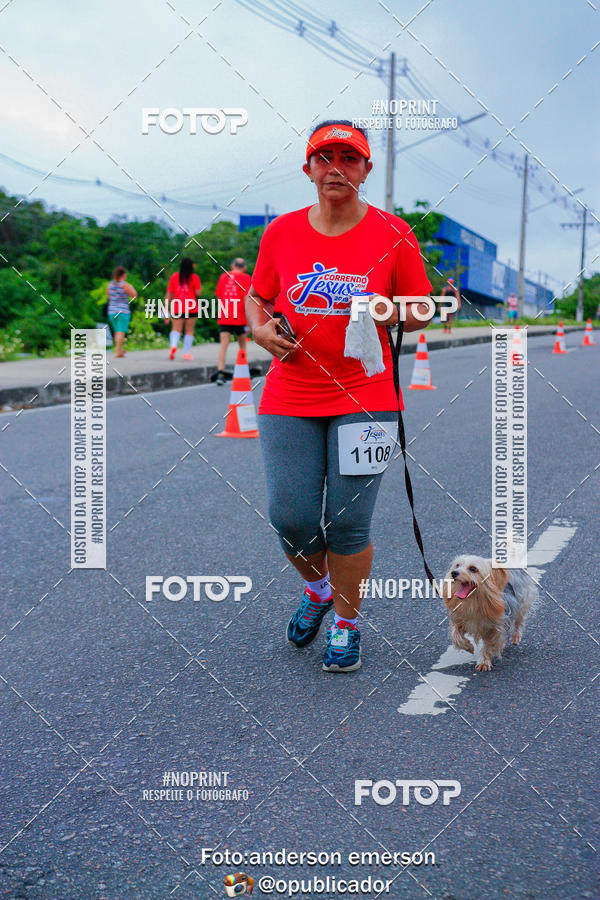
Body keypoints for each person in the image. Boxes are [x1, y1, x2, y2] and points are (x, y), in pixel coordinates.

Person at [245, 120, 433, 673]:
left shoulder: (393, 233)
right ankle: (320, 590)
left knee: (349, 523)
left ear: (365, 170)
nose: (335, 168)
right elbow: (258, 297)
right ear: (307, 169)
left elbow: (423, 309)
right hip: (290, 391)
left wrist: (386, 308)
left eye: (348, 159)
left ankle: (347, 625)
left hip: (367, 394)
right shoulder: (280, 234)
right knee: (291, 517)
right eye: (324, 158)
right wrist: (258, 330)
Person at [215, 258, 252, 385]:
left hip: (225, 316)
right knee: (242, 346)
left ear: (232, 266)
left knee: (223, 346)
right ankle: (244, 372)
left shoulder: (223, 276)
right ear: (244, 267)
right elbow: (247, 299)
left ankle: (220, 373)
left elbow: (219, 296)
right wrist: (249, 321)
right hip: (240, 318)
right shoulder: (246, 278)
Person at [165, 258, 202, 360]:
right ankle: (186, 354)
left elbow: (169, 293)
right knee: (189, 330)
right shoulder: (194, 277)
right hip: (191, 307)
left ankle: (173, 346)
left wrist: (165, 306)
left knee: (176, 329)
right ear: (192, 266)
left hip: (177, 306)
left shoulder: (174, 277)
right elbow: (198, 293)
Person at [107, 266, 137, 358]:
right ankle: (117, 351)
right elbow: (134, 295)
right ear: (123, 275)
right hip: (122, 311)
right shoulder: (125, 285)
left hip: (111, 311)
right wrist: (131, 287)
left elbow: (108, 297)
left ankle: (119, 350)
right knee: (121, 331)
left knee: (117, 331)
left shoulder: (110, 285)